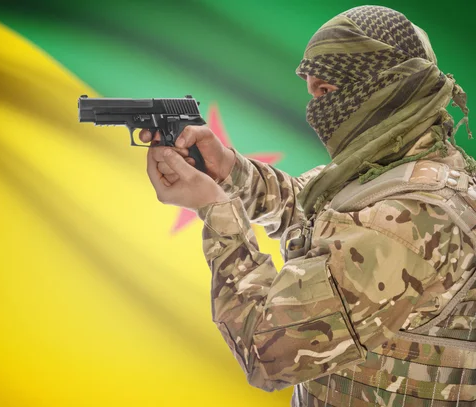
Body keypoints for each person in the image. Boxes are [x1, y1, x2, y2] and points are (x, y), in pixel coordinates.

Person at [140, 5, 476, 407]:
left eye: (326, 92)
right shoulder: (393, 169)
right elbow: (308, 210)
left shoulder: (411, 220)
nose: (315, 110)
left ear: (384, 85)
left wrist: (215, 210)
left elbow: (267, 353)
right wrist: (227, 168)